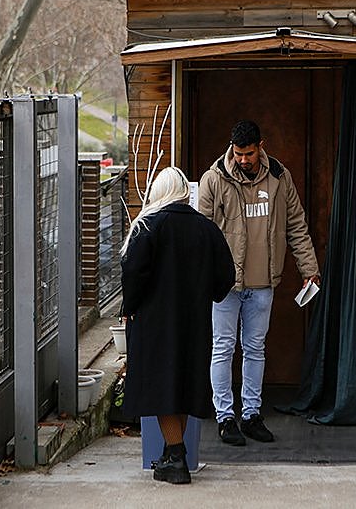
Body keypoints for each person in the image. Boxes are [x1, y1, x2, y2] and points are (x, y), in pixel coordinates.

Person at [198, 119, 320, 446]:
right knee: (222, 348)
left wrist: (309, 267)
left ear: (260, 146)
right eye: (238, 154)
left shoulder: (280, 177)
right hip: (224, 285)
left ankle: (251, 414)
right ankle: (225, 416)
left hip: (263, 282)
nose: (243, 160)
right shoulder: (214, 179)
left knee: (255, 349)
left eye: (249, 153)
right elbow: (202, 234)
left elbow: (296, 224)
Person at [120, 167, 235, 484]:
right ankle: (173, 455)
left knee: (161, 388)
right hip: (194, 323)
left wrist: (130, 308)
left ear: (158, 192)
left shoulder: (148, 227)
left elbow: (132, 272)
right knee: (182, 386)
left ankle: (176, 456)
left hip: (154, 324)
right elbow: (226, 276)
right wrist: (207, 294)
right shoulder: (206, 228)